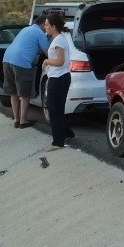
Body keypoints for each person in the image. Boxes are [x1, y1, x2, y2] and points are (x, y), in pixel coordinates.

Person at [1, 15, 49, 128]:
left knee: (13, 92)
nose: (47, 27)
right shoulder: (40, 34)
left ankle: (17, 120)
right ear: (43, 24)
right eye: (46, 25)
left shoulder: (26, 29)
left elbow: (28, 46)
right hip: (21, 62)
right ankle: (23, 121)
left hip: (7, 59)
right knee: (24, 94)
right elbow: (48, 52)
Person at [40, 13, 76, 150]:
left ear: (54, 26)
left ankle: (58, 142)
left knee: (53, 109)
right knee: (57, 108)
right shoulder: (57, 39)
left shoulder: (59, 40)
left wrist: (47, 60)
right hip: (57, 77)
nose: (45, 26)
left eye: (47, 24)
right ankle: (67, 133)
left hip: (59, 77)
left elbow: (60, 61)